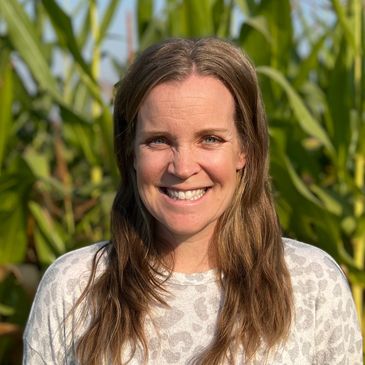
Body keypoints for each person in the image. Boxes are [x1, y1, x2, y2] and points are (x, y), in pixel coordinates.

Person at [23, 38, 362, 365]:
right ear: (130, 152)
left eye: (210, 139)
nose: (183, 168)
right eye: (158, 141)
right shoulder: (74, 288)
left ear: (245, 148)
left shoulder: (312, 283)